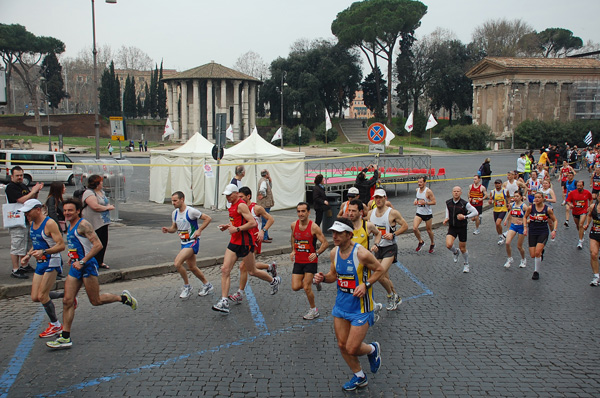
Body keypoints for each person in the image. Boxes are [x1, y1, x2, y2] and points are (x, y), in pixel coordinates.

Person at [46, 198, 137, 349]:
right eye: (65, 210)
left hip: (87, 266)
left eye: (70, 210)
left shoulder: (83, 225)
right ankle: (65, 337)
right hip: (76, 267)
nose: (67, 213)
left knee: (96, 301)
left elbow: (98, 245)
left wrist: (82, 261)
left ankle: (123, 298)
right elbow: (78, 246)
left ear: (78, 211)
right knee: (67, 301)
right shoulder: (70, 225)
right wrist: (73, 257)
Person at [313, 218, 385, 391]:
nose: (334, 236)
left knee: (352, 347)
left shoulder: (362, 253)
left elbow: (380, 269)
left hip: (361, 308)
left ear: (349, 235)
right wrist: (323, 278)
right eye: (333, 232)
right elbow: (333, 276)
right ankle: (360, 376)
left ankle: (372, 349)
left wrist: (366, 285)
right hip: (341, 306)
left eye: (339, 233)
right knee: (341, 345)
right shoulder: (334, 253)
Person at [212, 184, 280, 314]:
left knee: (252, 270)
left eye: (229, 195)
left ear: (236, 194)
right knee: (225, 269)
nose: (227, 197)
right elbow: (236, 222)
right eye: (225, 195)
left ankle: (273, 281)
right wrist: (227, 226)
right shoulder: (231, 205)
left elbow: (253, 223)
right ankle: (224, 301)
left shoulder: (242, 205)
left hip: (246, 242)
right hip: (234, 241)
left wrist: (261, 231)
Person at [19, 199, 66, 338]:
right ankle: (66, 295)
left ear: (38, 209)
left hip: (52, 260)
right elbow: (38, 243)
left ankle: (56, 325)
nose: (26, 215)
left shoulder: (50, 223)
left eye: (28, 212)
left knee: (42, 295)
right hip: (41, 262)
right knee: (35, 297)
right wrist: (28, 255)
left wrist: (44, 252)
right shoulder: (32, 223)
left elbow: (61, 245)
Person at [230, 186, 277, 305]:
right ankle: (269, 268)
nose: (239, 199)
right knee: (251, 267)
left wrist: (263, 231)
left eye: (241, 197)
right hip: (243, 240)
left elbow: (271, 219)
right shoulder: (240, 208)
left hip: (254, 240)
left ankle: (240, 293)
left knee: (244, 267)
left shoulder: (256, 208)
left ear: (248, 196)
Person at [161, 191, 214, 299]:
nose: (173, 203)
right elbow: (174, 228)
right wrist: (168, 230)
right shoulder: (174, 213)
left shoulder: (191, 211)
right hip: (183, 242)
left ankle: (187, 287)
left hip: (192, 242)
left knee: (177, 263)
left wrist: (199, 230)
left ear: (182, 199)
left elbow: (208, 218)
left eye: (175, 200)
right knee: (192, 267)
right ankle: (207, 285)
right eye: (172, 200)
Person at [368, 188, 408, 311]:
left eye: (380, 197)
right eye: (376, 197)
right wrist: (373, 243)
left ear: (385, 198)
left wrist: (393, 234)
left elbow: (405, 226)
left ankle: (390, 296)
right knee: (385, 277)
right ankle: (396, 296)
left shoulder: (392, 213)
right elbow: (368, 229)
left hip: (390, 248)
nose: (378, 200)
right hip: (378, 249)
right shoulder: (371, 213)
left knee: (379, 275)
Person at [290, 201, 329, 320]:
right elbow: (293, 237)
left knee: (306, 287)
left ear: (308, 212)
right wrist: (293, 250)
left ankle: (314, 310)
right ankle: (315, 281)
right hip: (298, 261)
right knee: (295, 287)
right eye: (298, 211)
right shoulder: (293, 225)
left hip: (310, 261)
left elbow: (325, 243)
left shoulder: (314, 227)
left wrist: (316, 254)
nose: (301, 214)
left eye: (303, 211)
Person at [5, 166, 44, 279]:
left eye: (21, 175)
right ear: (12, 176)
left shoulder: (22, 185)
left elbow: (31, 199)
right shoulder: (11, 187)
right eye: (17, 175)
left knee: (27, 243)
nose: (20, 177)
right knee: (17, 244)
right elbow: (21, 200)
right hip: (16, 220)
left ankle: (24, 265)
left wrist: (36, 192)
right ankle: (15, 269)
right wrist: (33, 191)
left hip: (26, 220)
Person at [82, 175, 115, 269]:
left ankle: (100, 261)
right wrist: (107, 208)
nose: (102, 183)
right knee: (94, 242)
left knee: (103, 241)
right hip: (93, 221)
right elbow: (95, 206)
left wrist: (108, 205)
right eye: (101, 182)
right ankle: (91, 261)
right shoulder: (89, 192)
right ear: (96, 183)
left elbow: (105, 202)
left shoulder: (101, 192)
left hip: (103, 221)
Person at [443, 186, 478, 273]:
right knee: (448, 245)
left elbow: (475, 212)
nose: (456, 193)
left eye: (458, 191)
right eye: (454, 191)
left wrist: (465, 217)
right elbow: (448, 210)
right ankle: (455, 252)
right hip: (452, 227)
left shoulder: (464, 203)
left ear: (461, 193)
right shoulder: (448, 202)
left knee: (462, 248)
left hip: (462, 228)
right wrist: (446, 218)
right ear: (452, 192)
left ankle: (466, 263)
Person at [523, 192, 557, 280]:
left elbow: (555, 220)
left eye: (539, 197)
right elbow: (525, 217)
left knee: (537, 253)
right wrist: (525, 228)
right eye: (535, 197)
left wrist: (554, 230)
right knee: (532, 255)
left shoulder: (547, 209)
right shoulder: (531, 208)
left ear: (543, 199)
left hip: (543, 232)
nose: (537, 199)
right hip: (533, 232)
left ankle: (536, 272)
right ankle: (541, 252)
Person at [503, 190, 528, 269]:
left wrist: (524, 223)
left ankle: (523, 259)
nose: (516, 198)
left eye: (517, 196)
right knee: (507, 242)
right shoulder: (512, 204)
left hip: (521, 227)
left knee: (519, 246)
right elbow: (510, 212)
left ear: (521, 197)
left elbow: (530, 217)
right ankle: (509, 258)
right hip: (513, 226)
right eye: (515, 196)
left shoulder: (524, 206)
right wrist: (506, 220)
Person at [566, 180, 593, 249]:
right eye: (578, 186)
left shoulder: (587, 193)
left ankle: (580, 241)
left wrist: (590, 206)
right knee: (578, 225)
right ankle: (581, 233)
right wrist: (570, 204)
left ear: (583, 186)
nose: (579, 187)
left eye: (580, 186)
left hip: (583, 211)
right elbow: (568, 200)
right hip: (575, 211)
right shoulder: (573, 193)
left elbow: (590, 199)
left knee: (581, 224)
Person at [413, 176, 436, 253]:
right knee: (414, 228)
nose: (419, 184)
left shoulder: (428, 191)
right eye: (418, 182)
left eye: (421, 182)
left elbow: (434, 202)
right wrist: (415, 201)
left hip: (427, 213)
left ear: (425, 182)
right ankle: (421, 241)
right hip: (419, 212)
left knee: (429, 231)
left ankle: (432, 243)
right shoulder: (417, 190)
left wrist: (426, 202)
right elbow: (417, 198)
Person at [583, 199, 600, 286]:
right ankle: (596, 276)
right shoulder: (593, 206)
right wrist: (587, 224)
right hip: (595, 233)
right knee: (593, 254)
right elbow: (589, 215)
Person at [489, 179, 509, 245]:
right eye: (496, 183)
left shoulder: (505, 191)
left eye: (498, 183)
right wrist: (490, 201)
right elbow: (491, 199)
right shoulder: (492, 192)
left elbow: (508, 197)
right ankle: (500, 236)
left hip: (503, 209)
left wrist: (508, 203)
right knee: (497, 225)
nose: (497, 185)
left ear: (501, 184)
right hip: (496, 210)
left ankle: (501, 236)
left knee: (498, 223)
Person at [256, 169, 274, 242]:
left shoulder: (264, 180)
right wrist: (264, 195)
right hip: (265, 204)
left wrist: (270, 181)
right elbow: (262, 190)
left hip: (264, 204)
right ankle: (264, 237)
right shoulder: (263, 182)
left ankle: (266, 235)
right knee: (265, 220)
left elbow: (269, 187)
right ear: (266, 174)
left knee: (265, 220)